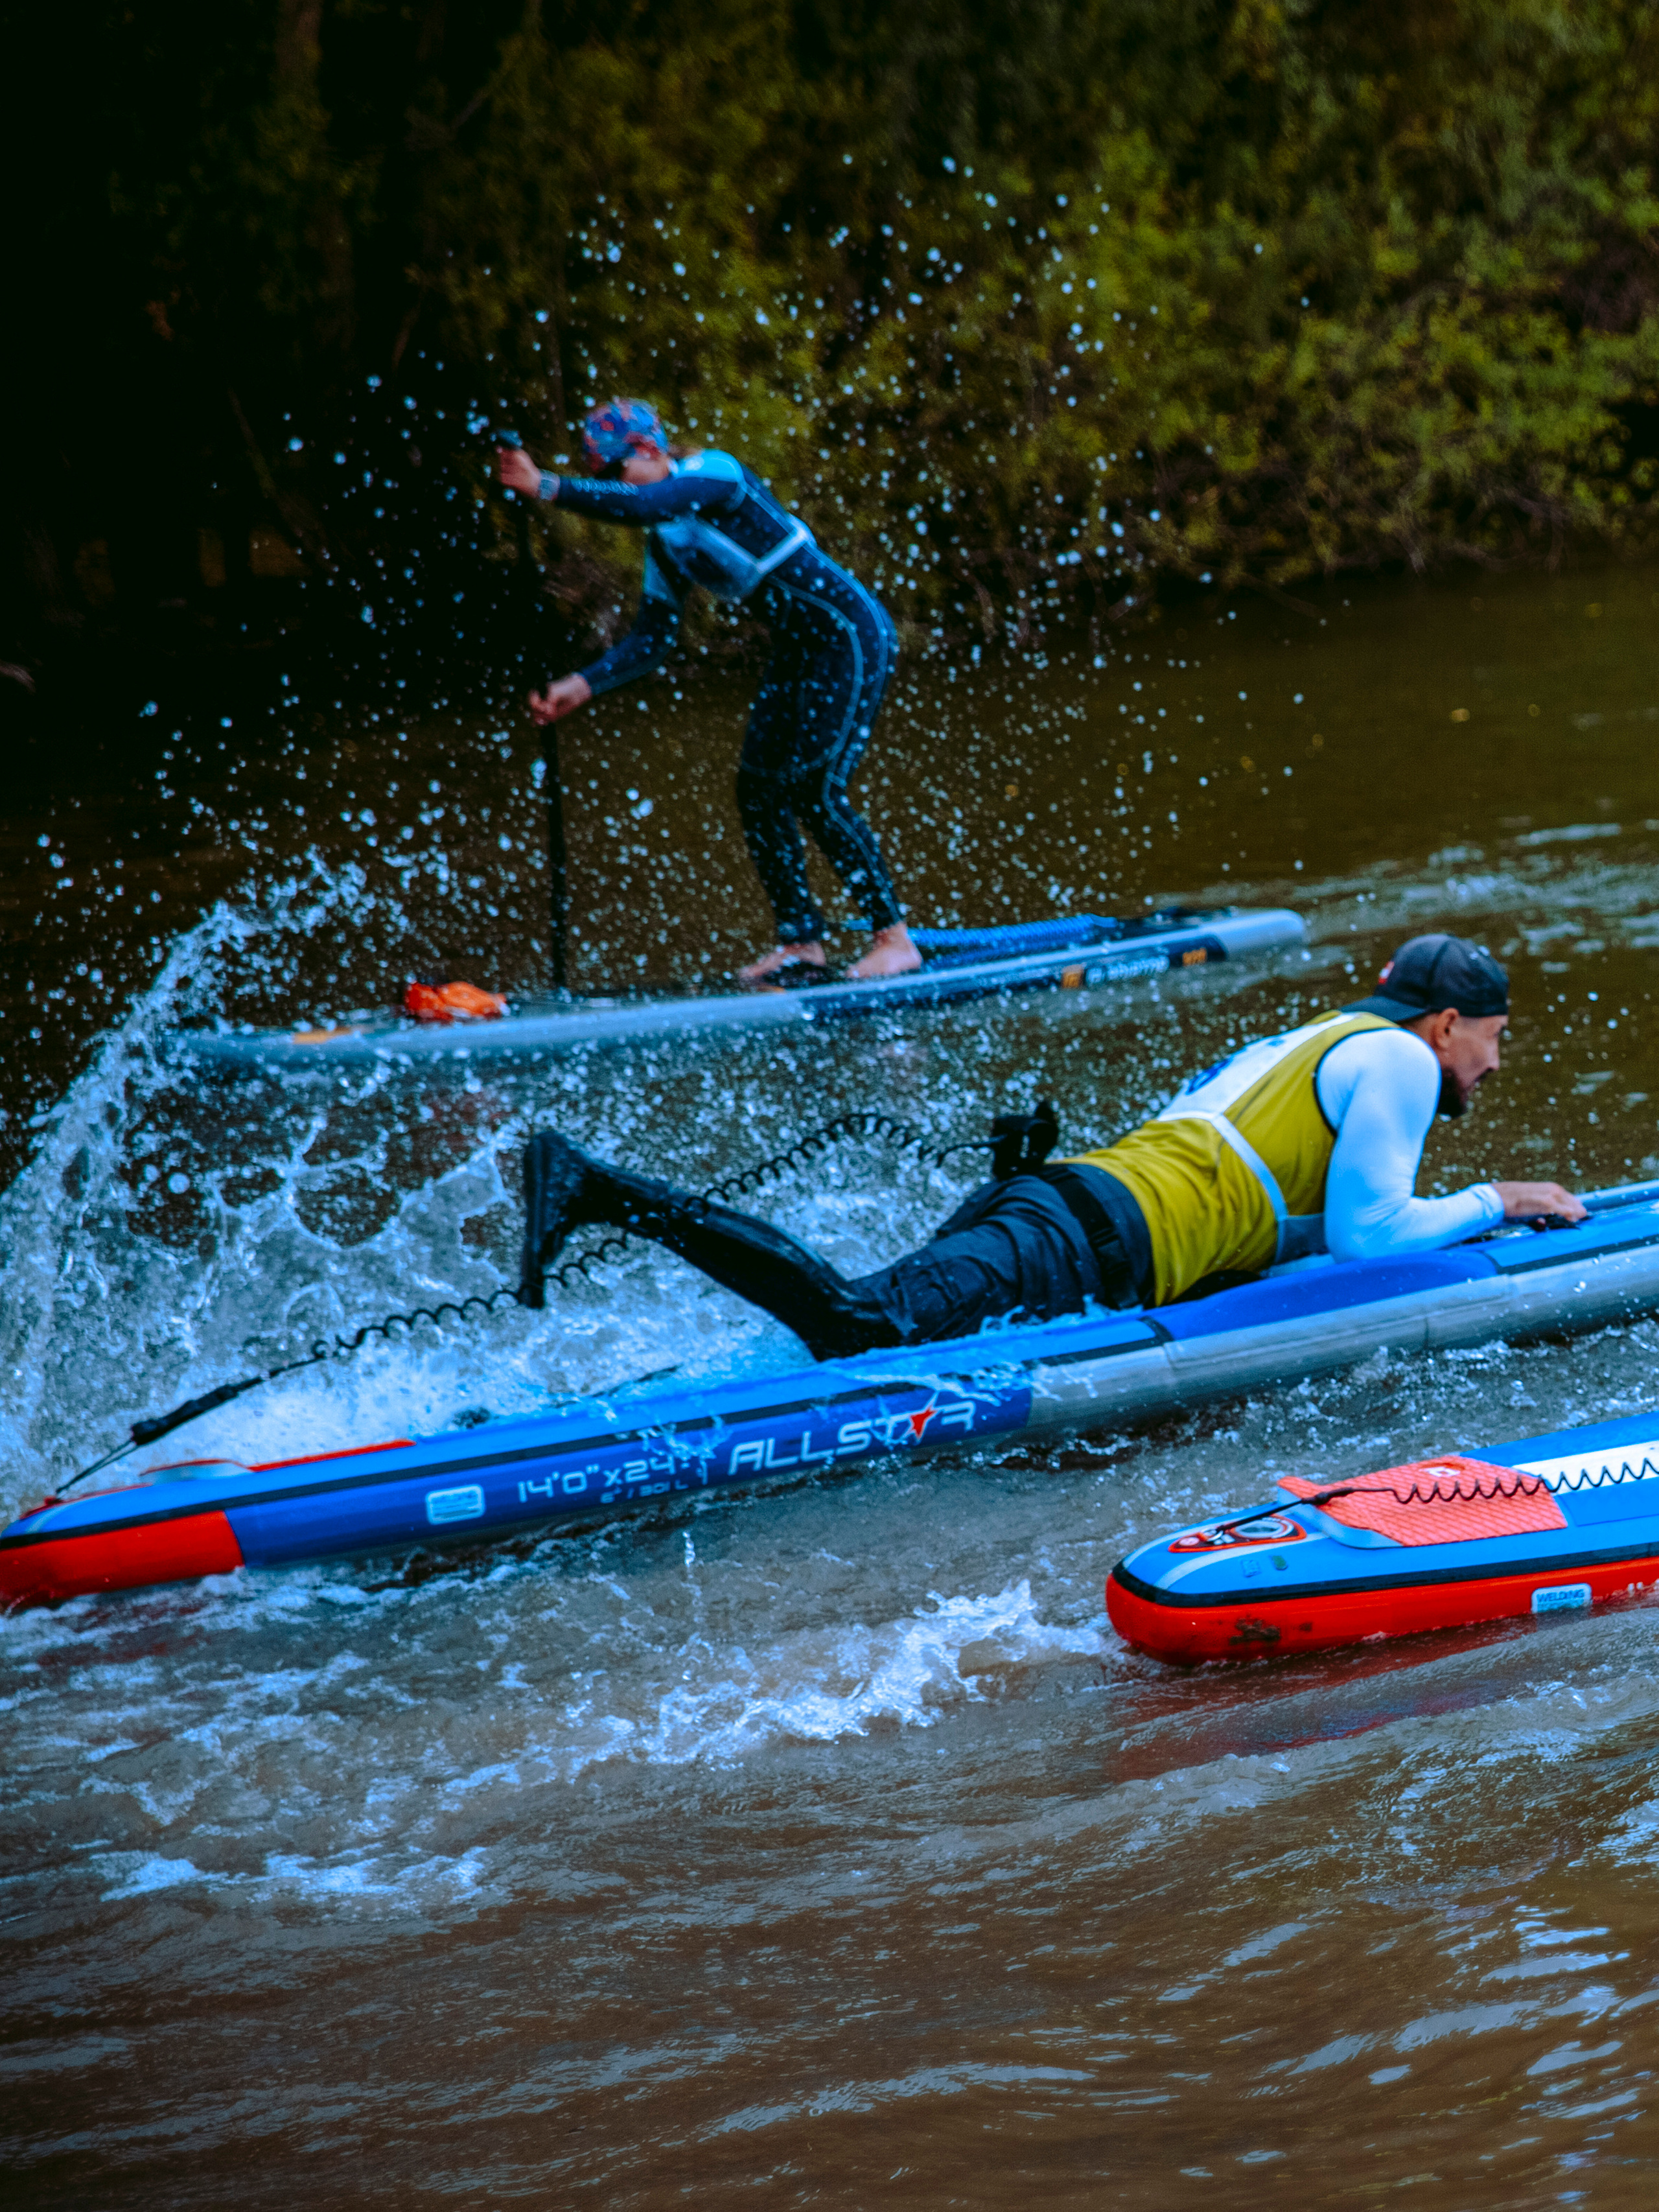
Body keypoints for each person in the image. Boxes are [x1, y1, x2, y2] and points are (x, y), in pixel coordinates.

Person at [516, 933, 1586, 1358]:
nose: (1494, 1062)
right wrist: (1499, 1198)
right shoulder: (1399, 1062)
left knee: (850, 1341)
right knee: (852, 1325)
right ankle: (599, 1189)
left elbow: (1277, 1217)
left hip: (1054, 1211)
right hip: (1072, 1240)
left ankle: (552, 1407)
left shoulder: (1312, 1041)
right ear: (1445, 1023)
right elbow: (1370, 1235)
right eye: (1493, 1038)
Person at [496, 399, 919, 983]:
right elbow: (653, 638)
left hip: (849, 636)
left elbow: (644, 501)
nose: (611, 487)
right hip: (798, 651)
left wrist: (543, 485)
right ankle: (803, 944)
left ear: (647, 449)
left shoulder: (716, 475)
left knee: (815, 789)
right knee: (759, 790)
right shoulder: (667, 543)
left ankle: (894, 940)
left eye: (612, 473)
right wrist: (581, 685)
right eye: (601, 480)